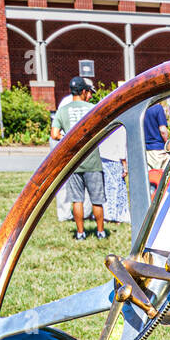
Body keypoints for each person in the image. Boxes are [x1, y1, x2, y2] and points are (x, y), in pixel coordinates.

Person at [51, 77, 106, 240]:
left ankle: (80, 233)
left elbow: (54, 135)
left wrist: (67, 137)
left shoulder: (62, 110)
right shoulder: (92, 108)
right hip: (92, 160)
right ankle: (100, 231)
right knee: (97, 200)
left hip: (73, 162)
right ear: (84, 91)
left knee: (77, 199)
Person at [100, 122, 129, 224]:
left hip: (103, 157)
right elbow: (121, 148)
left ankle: (107, 214)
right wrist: (125, 165)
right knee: (118, 188)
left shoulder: (105, 124)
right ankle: (118, 216)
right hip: (115, 159)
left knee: (107, 188)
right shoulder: (121, 127)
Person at [143, 99, 170, 174]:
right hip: (158, 149)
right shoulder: (158, 108)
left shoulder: (141, 110)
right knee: (162, 178)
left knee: (150, 179)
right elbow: (163, 130)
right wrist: (167, 144)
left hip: (145, 150)